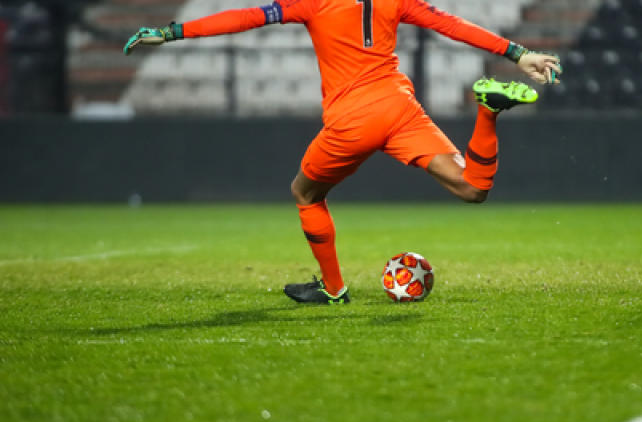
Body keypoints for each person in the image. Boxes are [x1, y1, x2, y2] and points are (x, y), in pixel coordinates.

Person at [124, 0, 562, 305]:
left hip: (353, 118)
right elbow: (449, 24)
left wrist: (171, 32)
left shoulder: (312, 1)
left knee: (305, 193)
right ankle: (487, 111)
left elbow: (246, 17)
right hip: (399, 106)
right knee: (471, 188)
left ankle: (333, 289)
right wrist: (518, 53)